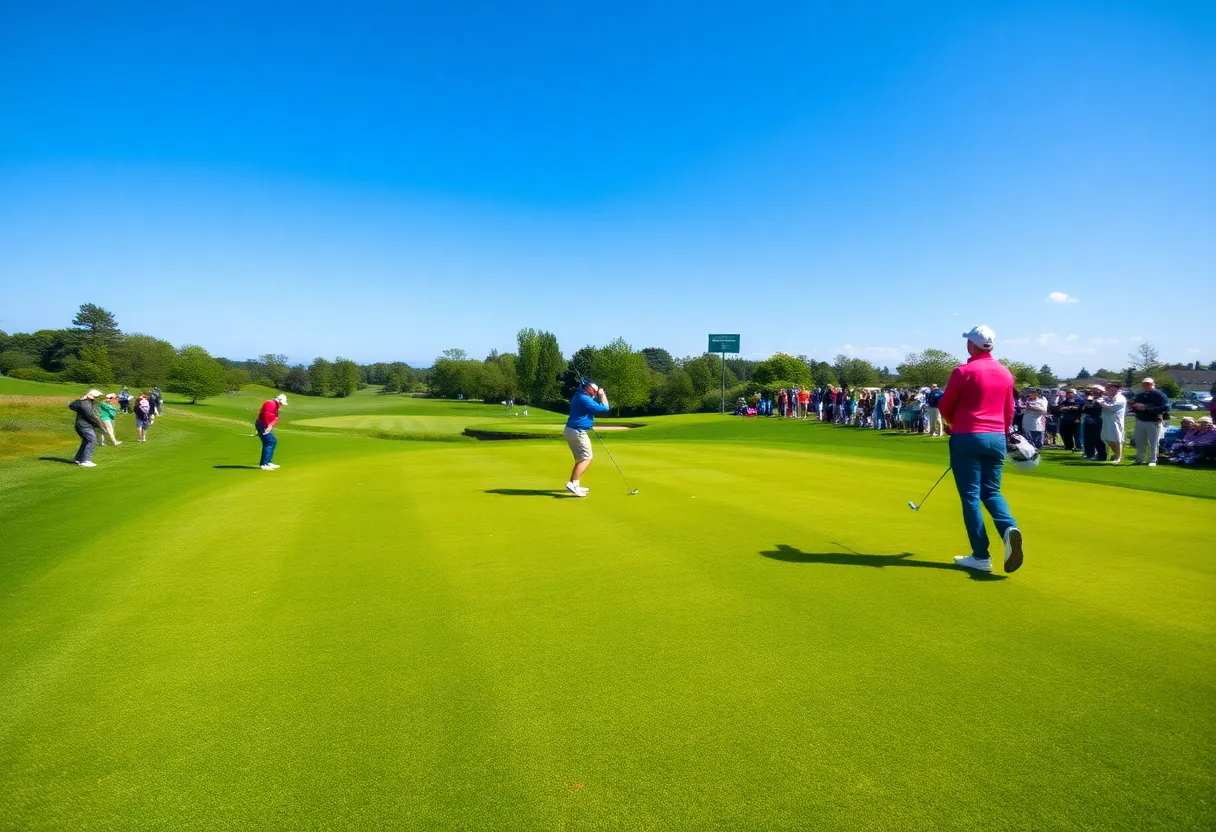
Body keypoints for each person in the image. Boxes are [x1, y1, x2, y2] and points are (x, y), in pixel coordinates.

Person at [937, 325, 1023, 574]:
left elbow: (945, 406)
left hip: (967, 436)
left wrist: (954, 425)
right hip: (996, 437)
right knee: (992, 492)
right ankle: (1009, 528)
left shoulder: (963, 371)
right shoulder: (1006, 373)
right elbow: (1009, 411)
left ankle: (980, 556)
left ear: (971, 345)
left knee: (971, 497)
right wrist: (1002, 433)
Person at [564, 378, 610, 497]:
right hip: (578, 431)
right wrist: (602, 394)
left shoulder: (580, 395)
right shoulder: (584, 398)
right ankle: (573, 484)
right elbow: (604, 408)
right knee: (586, 458)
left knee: (581, 459)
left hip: (572, 430)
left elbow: (591, 403)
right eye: (593, 390)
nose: (594, 393)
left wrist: (595, 394)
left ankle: (574, 483)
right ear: (587, 388)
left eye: (595, 391)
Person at [1130, 377, 1170, 467]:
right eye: (1145, 384)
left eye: (1148, 384)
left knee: (1153, 442)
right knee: (1140, 441)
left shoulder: (1159, 395)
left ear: (1153, 384)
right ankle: (1139, 459)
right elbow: (1134, 405)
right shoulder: (1140, 395)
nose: (1146, 385)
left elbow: (1166, 406)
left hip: (1153, 420)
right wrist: (1136, 407)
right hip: (1140, 420)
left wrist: (1150, 409)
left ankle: (1153, 459)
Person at [68, 389, 105, 467]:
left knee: (86, 441)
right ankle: (85, 460)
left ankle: (78, 459)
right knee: (92, 440)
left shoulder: (90, 402)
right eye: (95, 396)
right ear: (89, 395)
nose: (96, 398)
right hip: (84, 426)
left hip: (85, 425)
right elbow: (90, 416)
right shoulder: (85, 403)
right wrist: (98, 425)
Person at [255, 393, 288, 470]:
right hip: (263, 425)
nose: (282, 404)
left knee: (270, 442)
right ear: (279, 400)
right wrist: (268, 426)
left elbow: (276, 417)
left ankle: (267, 462)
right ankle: (264, 464)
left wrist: (270, 426)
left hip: (264, 425)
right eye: (282, 402)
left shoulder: (276, 405)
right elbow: (266, 416)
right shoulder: (271, 404)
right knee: (271, 442)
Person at [1099, 382, 1127, 464]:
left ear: (1118, 390)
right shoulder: (1107, 397)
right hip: (1107, 420)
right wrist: (1102, 400)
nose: (1112, 391)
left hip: (1116, 421)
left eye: (1114, 390)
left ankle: (1118, 457)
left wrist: (1101, 403)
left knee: (1117, 439)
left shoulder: (1120, 399)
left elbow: (1111, 407)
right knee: (1108, 439)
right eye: (1110, 389)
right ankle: (1115, 455)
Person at [1080, 386, 1107, 461]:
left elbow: (1097, 409)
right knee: (1088, 438)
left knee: (1097, 438)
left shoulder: (1103, 398)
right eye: (1094, 389)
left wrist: (1090, 408)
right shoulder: (1091, 397)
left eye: (1097, 390)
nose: (1095, 391)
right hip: (1089, 420)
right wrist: (1089, 407)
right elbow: (1085, 408)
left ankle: (1101, 455)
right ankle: (1089, 454)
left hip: (1098, 420)